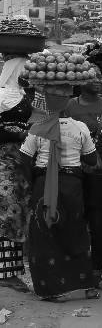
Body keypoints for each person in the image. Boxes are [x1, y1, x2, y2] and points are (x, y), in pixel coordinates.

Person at [19, 84, 101, 302]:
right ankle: (86, 287)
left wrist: (34, 182)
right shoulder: (80, 127)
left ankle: (52, 289)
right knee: (76, 232)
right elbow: (92, 159)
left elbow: (24, 160)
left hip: (44, 185)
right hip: (72, 186)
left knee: (45, 236)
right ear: (67, 102)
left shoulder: (38, 126)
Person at [65, 66, 102, 291]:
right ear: (80, 79)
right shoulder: (70, 107)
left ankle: (96, 274)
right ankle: (75, 271)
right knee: (76, 222)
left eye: (99, 76)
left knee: (98, 225)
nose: (98, 80)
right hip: (76, 173)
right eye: (92, 76)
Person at [0, 58, 32, 294]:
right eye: (23, 71)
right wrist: (17, 132)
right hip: (3, 163)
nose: (26, 75)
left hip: (22, 162)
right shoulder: (1, 97)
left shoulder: (26, 95)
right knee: (9, 212)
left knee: (18, 210)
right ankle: (6, 273)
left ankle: (11, 271)